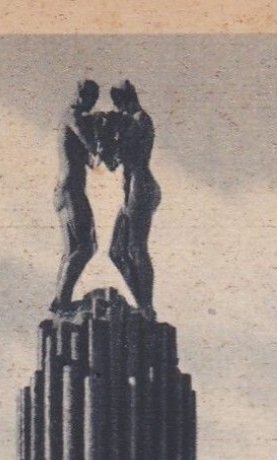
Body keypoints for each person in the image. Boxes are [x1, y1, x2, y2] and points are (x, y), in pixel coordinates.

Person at [105, 80, 161, 317]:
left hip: (141, 188)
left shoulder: (139, 119)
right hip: (133, 191)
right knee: (116, 250)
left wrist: (110, 135)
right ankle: (142, 303)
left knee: (137, 247)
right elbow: (112, 162)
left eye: (119, 104)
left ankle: (146, 306)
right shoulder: (133, 120)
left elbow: (117, 157)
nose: (118, 110)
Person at [51, 79, 101, 312]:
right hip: (70, 190)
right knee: (86, 246)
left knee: (74, 249)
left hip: (68, 190)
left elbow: (94, 162)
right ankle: (62, 301)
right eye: (92, 99)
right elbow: (92, 146)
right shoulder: (74, 115)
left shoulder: (73, 116)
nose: (93, 105)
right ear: (82, 95)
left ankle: (60, 301)